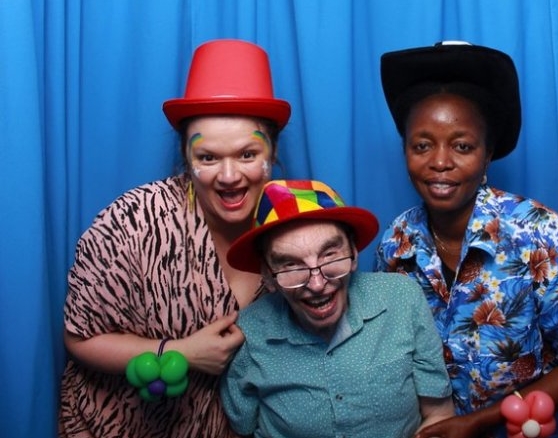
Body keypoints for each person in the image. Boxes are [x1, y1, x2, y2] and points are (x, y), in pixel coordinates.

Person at [374, 41, 558, 438]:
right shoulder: (396, 243)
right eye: (421, 145)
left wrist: (476, 423)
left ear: (488, 153)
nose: (440, 161)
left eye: (462, 146)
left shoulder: (543, 234)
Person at [59, 39, 292, 437]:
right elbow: (80, 336)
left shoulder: (291, 225)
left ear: (271, 154)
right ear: (186, 158)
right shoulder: (133, 221)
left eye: (248, 154)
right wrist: (181, 352)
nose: (230, 175)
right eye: (208, 157)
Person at [220, 179, 455, 438]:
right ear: (267, 275)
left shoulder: (402, 298)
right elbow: (240, 428)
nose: (317, 284)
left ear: (353, 253)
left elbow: (438, 415)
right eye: (291, 265)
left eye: (330, 254)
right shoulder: (249, 333)